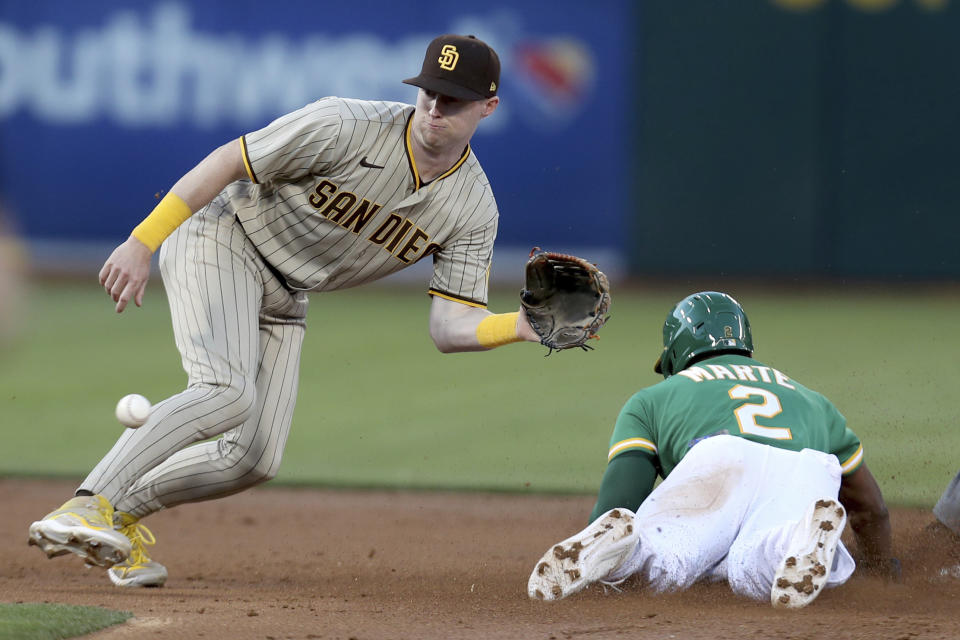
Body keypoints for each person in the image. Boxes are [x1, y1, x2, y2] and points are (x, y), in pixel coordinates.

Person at [28, 34, 541, 588]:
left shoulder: (472, 208)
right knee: (225, 391)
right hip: (224, 236)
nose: (435, 108)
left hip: (286, 293)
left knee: (253, 458)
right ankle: (86, 504)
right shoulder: (344, 124)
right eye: (429, 93)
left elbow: (449, 328)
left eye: (453, 100)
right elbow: (230, 160)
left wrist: (516, 326)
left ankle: (116, 520)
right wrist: (143, 241)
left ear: (488, 107)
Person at [527, 291, 898, 609]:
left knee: (667, 562)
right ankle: (797, 538)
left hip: (718, 459)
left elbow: (619, 500)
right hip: (806, 471)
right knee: (753, 567)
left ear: (676, 352)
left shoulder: (652, 399)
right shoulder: (815, 401)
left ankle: (628, 555)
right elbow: (870, 509)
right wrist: (885, 573)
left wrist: (603, 531)